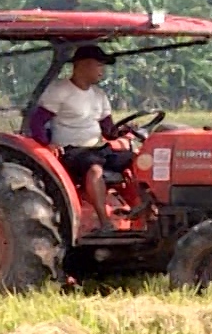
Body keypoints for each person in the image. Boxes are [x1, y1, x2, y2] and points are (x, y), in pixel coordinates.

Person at [28, 45, 133, 225]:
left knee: (138, 161)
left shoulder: (99, 95)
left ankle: (143, 214)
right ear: (82, 65)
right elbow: (36, 122)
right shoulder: (60, 90)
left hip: (98, 148)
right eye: (99, 65)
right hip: (72, 151)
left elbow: (108, 129)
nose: (102, 71)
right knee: (95, 170)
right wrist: (47, 144)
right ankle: (105, 222)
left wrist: (124, 131)